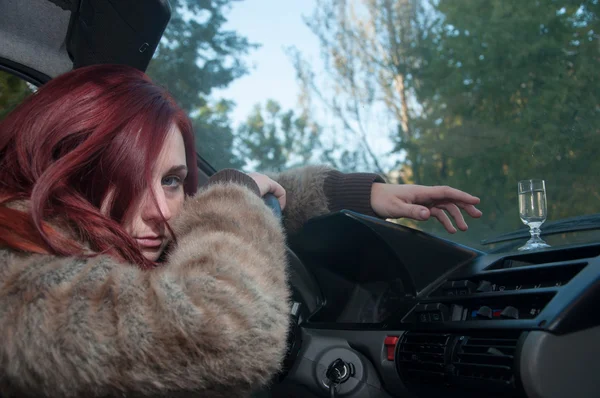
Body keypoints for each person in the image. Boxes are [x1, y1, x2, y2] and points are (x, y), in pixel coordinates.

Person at [0, 64, 481, 397]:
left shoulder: (71, 248)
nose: (162, 214)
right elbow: (228, 332)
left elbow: (201, 214)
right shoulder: (15, 286)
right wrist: (235, 195)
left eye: (171, 180)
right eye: (120, 179)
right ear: (56, 169)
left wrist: (351, 195)